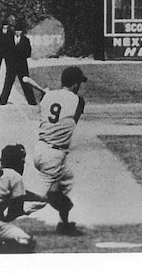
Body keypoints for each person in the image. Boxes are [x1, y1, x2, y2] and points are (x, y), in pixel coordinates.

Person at [30, 65, 87, 235]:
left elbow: (49, 109)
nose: (80, 87)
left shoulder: (47, 97)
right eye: (79, 84)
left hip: (41, 149)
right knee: (38, 200)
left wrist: (46, 95)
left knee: (66, 178)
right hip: (53, 158)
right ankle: (1, 214)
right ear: (75, 84)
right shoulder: (79, 102)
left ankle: (65, 223)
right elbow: (72, 118)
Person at [0, 144, 43, 253]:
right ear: (18, 162)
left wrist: (38, 198)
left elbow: (2, 191)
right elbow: (15, 211)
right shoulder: (16, 176)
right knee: (26, 242)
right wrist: (29, 210)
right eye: (22, 162)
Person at [0, 20, 37, 105]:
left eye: (19, 31)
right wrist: (8, 62)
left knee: (26, 83)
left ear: (22, 31)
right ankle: (3, 100)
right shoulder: (9, 39)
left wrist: (20, 55)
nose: (18, 32)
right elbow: (6, 52)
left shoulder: (26, 40)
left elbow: (28, 52)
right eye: (16, 31)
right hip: (11, 65)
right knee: (8, 83)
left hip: (22, 65)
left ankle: (31, 101)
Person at [0, 15, 15, 83]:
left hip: (8, 52)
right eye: (4, 25)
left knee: (9, 67)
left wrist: (12, 52)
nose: (5, 26)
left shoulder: (11, 32)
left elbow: (12, 43)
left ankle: (8, 79)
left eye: (6, 25)